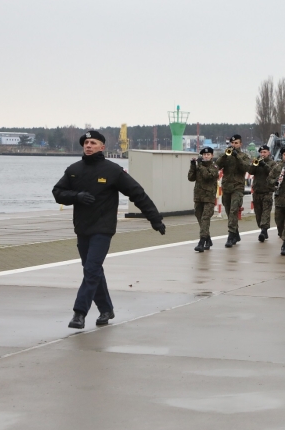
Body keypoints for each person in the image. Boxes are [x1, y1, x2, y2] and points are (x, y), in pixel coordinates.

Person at [53, 130, 165, 330]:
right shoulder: (74, 170)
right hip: (82, 228)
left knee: (92, 269)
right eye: (86, 143)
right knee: (92, 270)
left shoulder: (112, 170)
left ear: (102, 147)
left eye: (93, 143)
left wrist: (155, 219)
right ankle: (106, 309)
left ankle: (79, 313)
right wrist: (76, 196)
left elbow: (137, 193)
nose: (88, 146)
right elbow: (58, 192)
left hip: (103, 228)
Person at [215, 134, 251, 247]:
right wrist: (225, 155)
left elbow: (246, 167)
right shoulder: (227, 155)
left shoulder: (244, 156)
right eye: (232, 143)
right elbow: (217, 165)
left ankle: (231, 235)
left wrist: (237, 157)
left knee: (234, 210)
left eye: (236, 143)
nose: (234, 145)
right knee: (228, 210)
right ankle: (236, 232)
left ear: (240, 144)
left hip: (238, 187)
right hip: (226, 187)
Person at [188, 146, 218, 252]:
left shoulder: (214, 167)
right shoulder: (199, 166)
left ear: (212, 156)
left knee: (205, 218)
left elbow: (207, 176)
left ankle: (202, 242)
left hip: (209, 197)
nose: (206, 156)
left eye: (208, 154)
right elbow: (191, 178)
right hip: (198, 196)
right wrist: (193, 165)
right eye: (204, 155)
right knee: (199, 217)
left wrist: (200, 165)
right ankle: (208, 239)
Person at [248, 145, 276, 242]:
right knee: (258, 213)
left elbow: (272, 173)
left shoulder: (272, 163)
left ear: (269, 153)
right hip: (257, 191)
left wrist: (264, 165)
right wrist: (254, 164)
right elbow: (250, 171)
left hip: (267, 191)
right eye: (261, 152)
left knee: (266, 212)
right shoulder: (257, 162)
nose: (262, 154)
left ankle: (264, 230)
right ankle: (263, 229)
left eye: (264, 152)